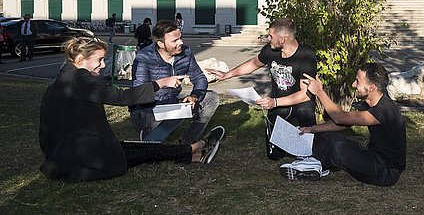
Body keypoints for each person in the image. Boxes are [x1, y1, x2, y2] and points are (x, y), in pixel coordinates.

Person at [39, 37, 224, 182]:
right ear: (81, 59)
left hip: (63, 155)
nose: (103, 65)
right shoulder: (79, 78)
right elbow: (119, 97)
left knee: (139, 149)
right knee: (148, 152)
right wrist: (158, 84)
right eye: (100, 60)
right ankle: (196, 147)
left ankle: (194, 155)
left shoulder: (63, 78)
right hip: (81, 161)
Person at [207, 18, 317, 159]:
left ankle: (309, 149)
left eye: (271, 36)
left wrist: (274, 103)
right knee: (274, 156)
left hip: (300, 102)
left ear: (282, 40)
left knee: (304, 111)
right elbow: (253, 63)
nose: (267, 38)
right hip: (278, 102)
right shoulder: (271, 51)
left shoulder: (306, 57)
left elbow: (305, 95)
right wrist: (227, 74)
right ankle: (286, 145)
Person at [284, 62, 406, 186]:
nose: (354, 85)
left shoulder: (385, 110)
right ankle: (313, 162)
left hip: (386, 171)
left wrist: (319, 92)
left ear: (371, 88)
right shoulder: (370, 104)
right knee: (328, 136)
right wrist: (312, 129)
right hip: (372, 157)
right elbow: (343, 123)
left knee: (339, 149)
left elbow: (340, 118)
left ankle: (315, 165)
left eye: (358, 82)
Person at [130, 20, 220, 145]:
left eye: (180, 38)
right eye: (175, 41)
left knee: (212, 97)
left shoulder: (185, 53)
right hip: (147, 109)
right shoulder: (144, 58)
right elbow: (140, 94)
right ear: (161, 44)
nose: (181, 43)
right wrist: (175, 103)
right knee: (179, 109)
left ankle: (186, 142)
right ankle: (150, 135)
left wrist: (194, 96)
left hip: (174, 101)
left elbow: (199, 78)